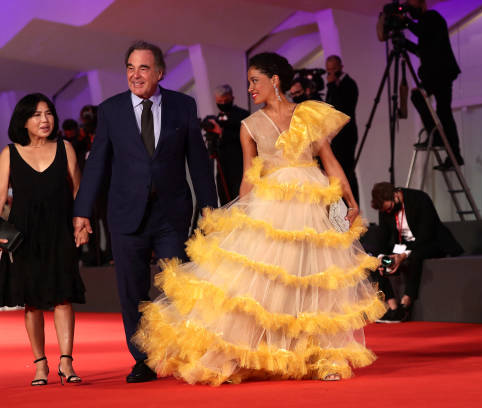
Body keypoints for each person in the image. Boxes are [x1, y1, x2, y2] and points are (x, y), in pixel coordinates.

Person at [132, 52, 386, 385]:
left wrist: (350, 200)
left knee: (317, 280)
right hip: (272, 206)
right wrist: (242, 214)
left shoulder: (308, 114)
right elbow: (250, 176)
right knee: (265, 285)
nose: (250, 88)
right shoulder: (249, 126)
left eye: (255, 80)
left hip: (312, 202)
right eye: (249, 82)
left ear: (275, 80)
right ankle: (258, 352)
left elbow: (330, 160)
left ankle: (325, 357)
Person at [73, 41, 217, 383]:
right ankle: (143, 359)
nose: (136, 75)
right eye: (130, 68)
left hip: (171, 213)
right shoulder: (110, 110)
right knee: (132, 290)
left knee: (178, 284)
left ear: (160, 73)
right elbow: (97, 166)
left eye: (143, 68)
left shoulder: (183, 106)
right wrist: (82, 212)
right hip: (125, 214)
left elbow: (197, 162)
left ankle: (180, 351)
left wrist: (209, 209)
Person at [0, 93, 86, 386]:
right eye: (37, 115)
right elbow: (0, 196)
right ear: (23, 121)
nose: (44, 120)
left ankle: (66, 362)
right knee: (32, 302)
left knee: (64, 295)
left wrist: (81, 221)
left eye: (48, 113)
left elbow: (78, 188)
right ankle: (40, 364)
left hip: (59, 230)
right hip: (24, 234)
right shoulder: (10, 153)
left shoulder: (65, 148)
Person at [370, 182, 463, 322]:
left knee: (416, 254)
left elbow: (426, 234)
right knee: (376, 261)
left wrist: (403, 255)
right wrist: (382, 257)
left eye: (390, 208)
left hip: (431, 242)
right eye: (385, 211)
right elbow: (383, 236)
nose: (388, 212)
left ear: (395, 195)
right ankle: (394, 308)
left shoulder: (419, 199)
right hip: (402, 246)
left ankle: (406, 303)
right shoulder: (385, 208)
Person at [404, 0, 464, 171]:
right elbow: (422, 51)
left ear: (422, 4)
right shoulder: (426, 24)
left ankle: (442, 141)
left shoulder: (432, 17)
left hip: (441, 73)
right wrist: (404, 43)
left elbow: (421, 31)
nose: (410, 10)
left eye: (412, 5)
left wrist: (405, 22)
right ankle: (451, 151)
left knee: (441, 111)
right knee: (443, 112)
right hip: (437, 74)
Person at [325, 55, 360, 204]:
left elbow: (340, 109)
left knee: (346, 171)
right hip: (335, 136)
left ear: (340, 67)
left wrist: (332, 85)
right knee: (335, 173)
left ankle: (352, 205)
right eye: (328, 70)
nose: (331, 73)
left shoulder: (349, 84)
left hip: (346, 136)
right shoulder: (333, 85)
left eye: (333, 69)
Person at [212, 84, 249, 205]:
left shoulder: (242, 115)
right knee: (226, 203)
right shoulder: (216, 119)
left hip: (240, 166)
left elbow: (246, 138)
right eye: (219, 101)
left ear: (232, 98)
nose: (223, 103)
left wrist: (222, 132)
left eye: (225, 101)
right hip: (223, 168)